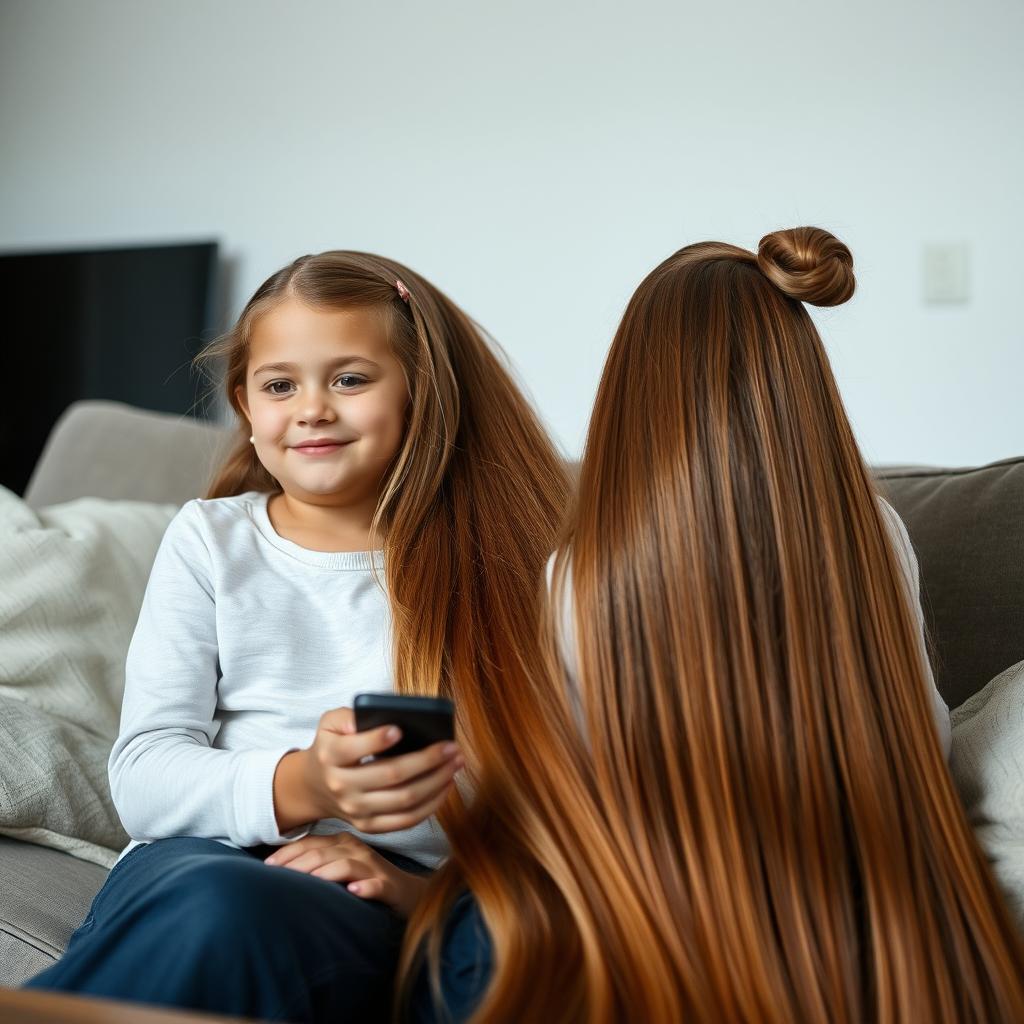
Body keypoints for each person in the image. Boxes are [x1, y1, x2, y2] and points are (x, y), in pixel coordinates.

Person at [403, 228, 1024, 1022]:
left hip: (666, 909)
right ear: (803, 383)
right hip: (867, 904)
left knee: (469, 932)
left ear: (633, 392)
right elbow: (922, 740)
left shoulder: (582, 568)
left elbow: (572, 781)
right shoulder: (871, 529)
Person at [24, 250, 570, 1023]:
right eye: (281, 385)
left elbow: (550, 810)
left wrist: (419, 893)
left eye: (350, 378)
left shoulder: (519, 565)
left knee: (516, 949)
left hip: (392, 898)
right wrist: (307, 785)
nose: (312, 408)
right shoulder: (211, 540)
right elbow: (145, 778)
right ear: (245, 404)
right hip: (207, 861)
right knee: (226, 906)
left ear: (421, 390)